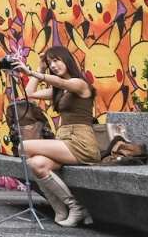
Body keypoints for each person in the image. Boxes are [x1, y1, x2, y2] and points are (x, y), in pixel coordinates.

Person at [17, 47, 97, 227]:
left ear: (67, 60)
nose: (53, 65)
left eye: (57, 60)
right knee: (38, 164)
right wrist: (39, 69)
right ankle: (60, 208)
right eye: (50, 62)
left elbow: (61, 83)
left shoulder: (80, 84)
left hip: (81, 143)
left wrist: (28, 72)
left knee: (24, 147)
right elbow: (30, 93)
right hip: (65, 141)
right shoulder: (59, 92)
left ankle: (76, 207)